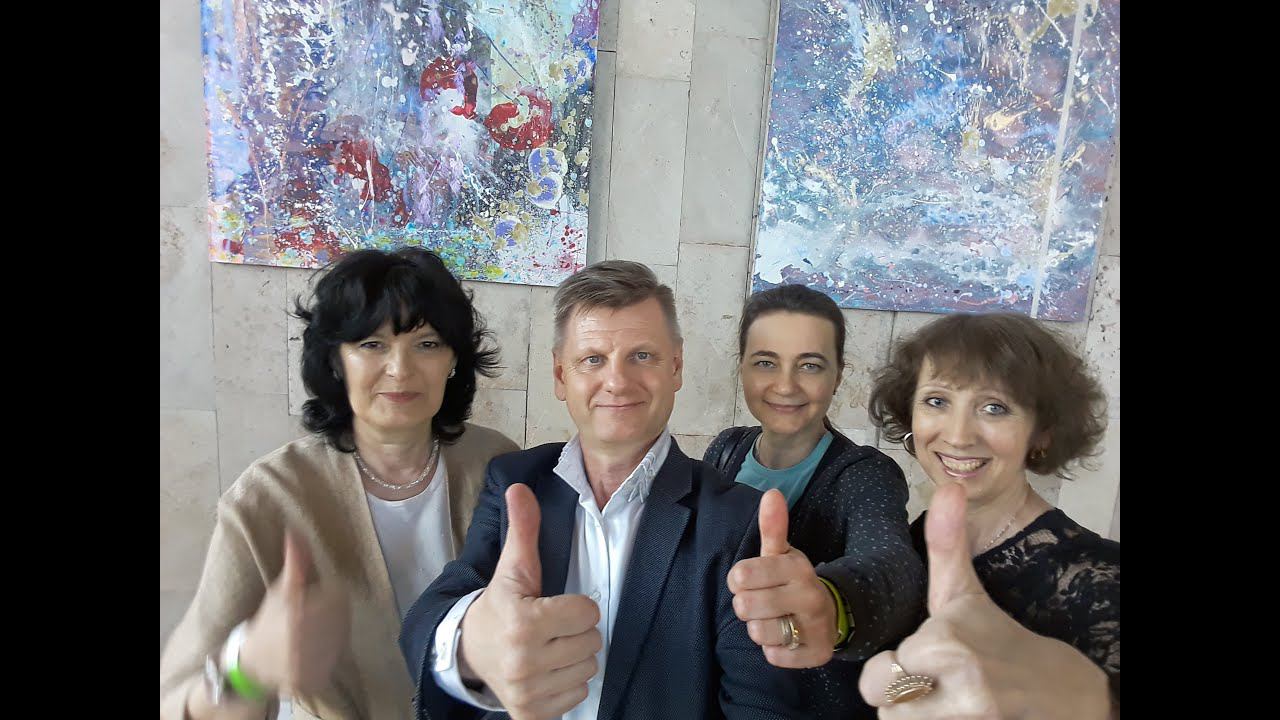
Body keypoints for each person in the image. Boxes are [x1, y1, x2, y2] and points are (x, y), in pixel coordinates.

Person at [400, 261, 804, 720]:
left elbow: (761, 706)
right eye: (593, 359)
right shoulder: (514, 480)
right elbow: (427, 619)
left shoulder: (737, 519)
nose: (617, 381)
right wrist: (471, 646)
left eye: (642, 356)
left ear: (675, 367)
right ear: (560, 375)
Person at [160, 248, 520, 719]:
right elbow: (177, 702)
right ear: (335, 361)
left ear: (454, 360)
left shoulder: (499, 463)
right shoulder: (270, 495)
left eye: (427, 344)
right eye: (372, 344)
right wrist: (248, 668)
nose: (400, 369)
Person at [859, 312, 1119, 717]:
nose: (958, 436)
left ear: (1042, 432)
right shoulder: (899, 544)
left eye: (995, 407)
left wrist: (1095, 705)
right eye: (937, 401)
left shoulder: (1104, 578)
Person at [703, 284, 924, 718]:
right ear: (742, 367)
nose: (786, 385)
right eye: (766, 362)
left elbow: (892, 564)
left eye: (810, 365)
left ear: (838, 375)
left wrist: (832, 603)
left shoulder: (864, 474)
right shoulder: (724, 451)